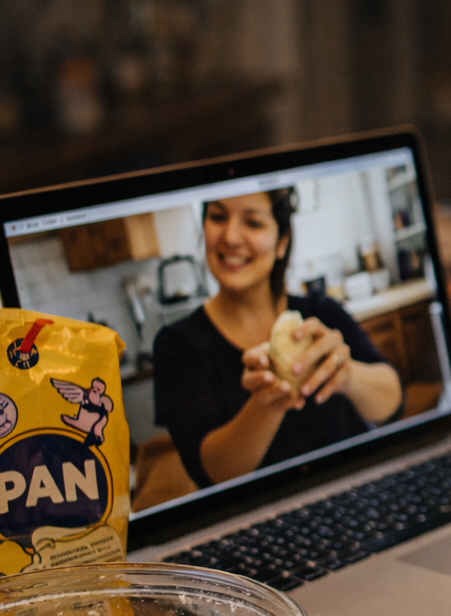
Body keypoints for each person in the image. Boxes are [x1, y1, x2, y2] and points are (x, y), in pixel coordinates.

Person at [153, 188, 402, 487]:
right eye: (218, 217)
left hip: (356, 493)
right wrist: (268, 403)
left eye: (253, 223)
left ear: (282, 242)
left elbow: (393, 403)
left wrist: (346, 375)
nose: (230, 237)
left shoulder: (320, 312)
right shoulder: (177, 345)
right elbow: (212, 472)